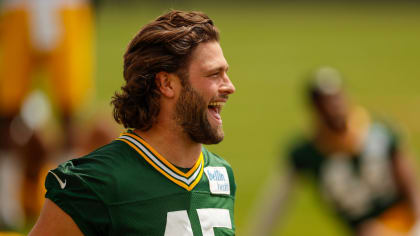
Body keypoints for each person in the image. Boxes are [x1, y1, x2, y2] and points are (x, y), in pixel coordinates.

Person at [29, 10, 236, 235]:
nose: (229, 86)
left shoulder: (220, 174)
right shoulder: (94, 183)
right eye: (214, 74)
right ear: (166, 83)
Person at [248, 67, 420, 236]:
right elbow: (276, 202)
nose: (334, 106)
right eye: (325, 102)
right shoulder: (307, 153)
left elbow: (410, 184)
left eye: (336, 98)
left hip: (403, 222)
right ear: (314, 108)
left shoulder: (379, 133)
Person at [0, 0, 95, 229]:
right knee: (6, 111)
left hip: (66, 7)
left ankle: (70, 202)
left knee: (69, 112)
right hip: (19, 7)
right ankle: (6, 205)